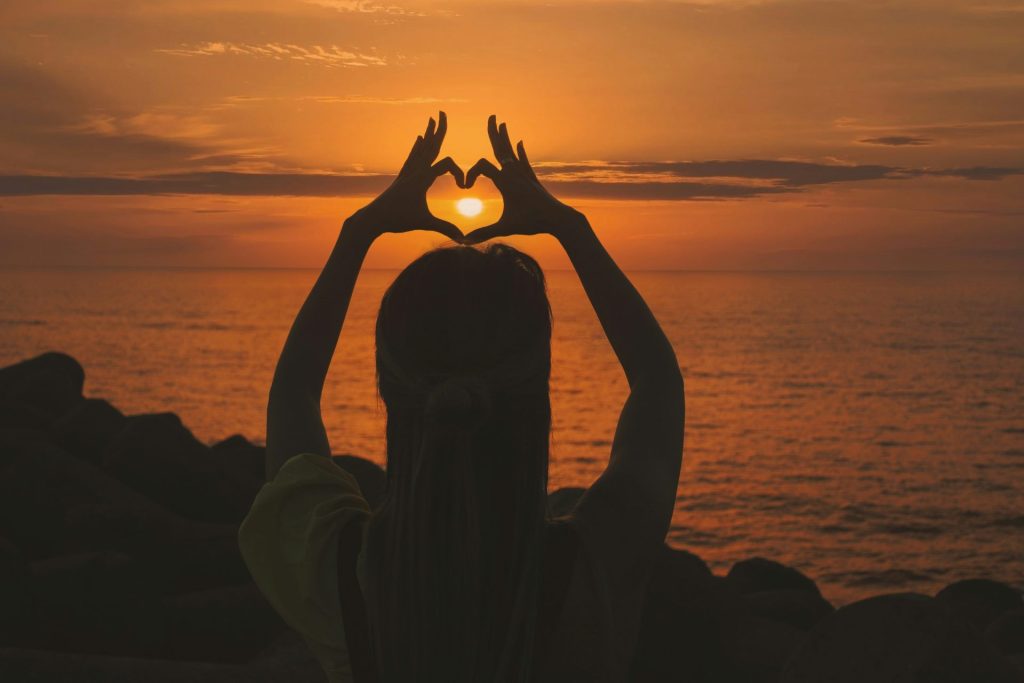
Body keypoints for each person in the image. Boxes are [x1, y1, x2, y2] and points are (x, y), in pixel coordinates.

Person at [238, 112, 684, 682]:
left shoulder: (338, 567)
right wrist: (568, 227)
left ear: (391, 389)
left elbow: (294, 392)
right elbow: (657, 379)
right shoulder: (597, 558)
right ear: (537, 390)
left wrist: (361, 230)